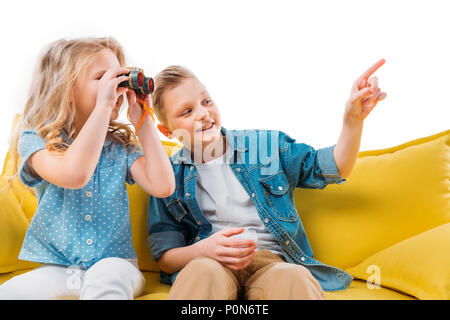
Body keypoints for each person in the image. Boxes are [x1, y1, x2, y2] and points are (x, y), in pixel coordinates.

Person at [147, 61, 386, 299]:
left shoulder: (267, 147)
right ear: (166, 131)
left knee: (293, 277)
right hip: (209, 264)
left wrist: (352, 119)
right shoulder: (166, 176)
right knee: (201, 272)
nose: (203, 113)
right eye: (187, 111)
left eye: (206, 101)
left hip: (270, 262)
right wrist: (202, 251)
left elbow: (335, 167)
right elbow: (166, 259)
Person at [0, 37, 175, 300]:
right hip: (60, 267)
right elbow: (74, 174)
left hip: (117, 264)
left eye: (117, 78)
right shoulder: (37, 140)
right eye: (103, 78)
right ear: (66, 89)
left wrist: (144, 122)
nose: (115, 87)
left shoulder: (121, 147)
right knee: (12, 292)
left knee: (106, 280)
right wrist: (103, 106)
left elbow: (163, 187)